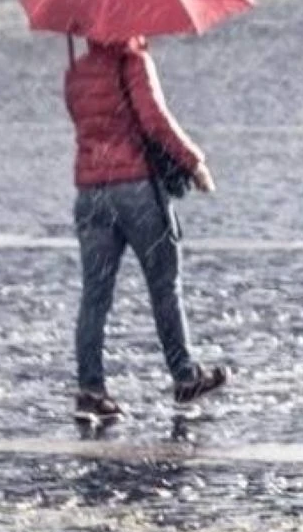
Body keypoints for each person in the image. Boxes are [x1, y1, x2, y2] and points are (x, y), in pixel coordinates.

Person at [64, 35, 230, 424]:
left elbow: (88, 125)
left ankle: (90, 389)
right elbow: (154, 120)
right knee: (164, 285)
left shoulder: (75, 72)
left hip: (91, 193)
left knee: (95, 296)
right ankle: (185, 375)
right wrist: (194, 162)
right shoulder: (133, 62)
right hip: (136, 190)